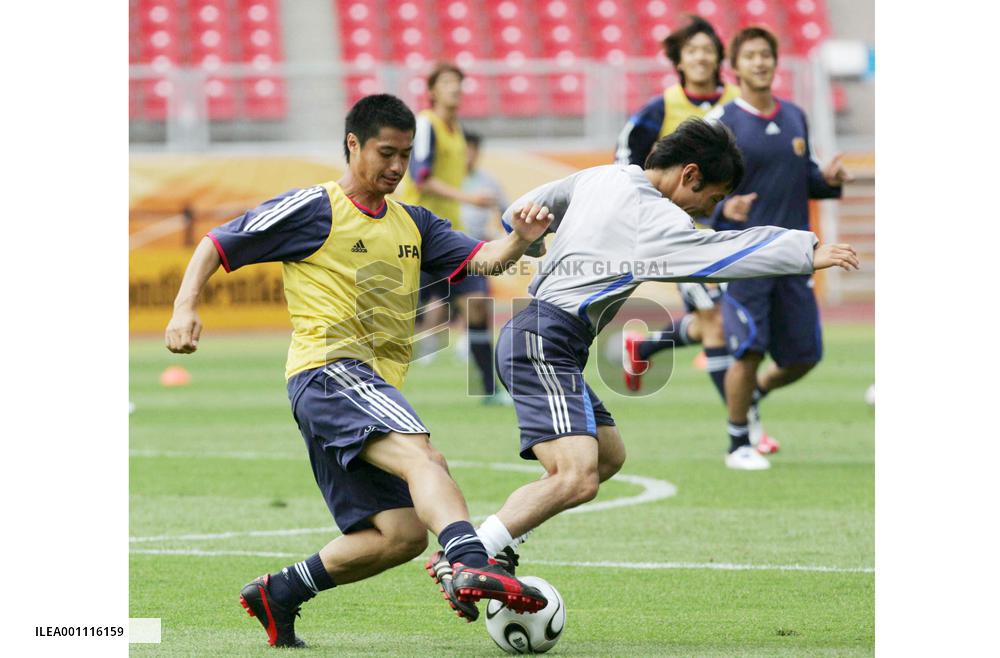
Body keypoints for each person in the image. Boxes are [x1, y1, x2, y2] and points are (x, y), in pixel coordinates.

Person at [164, 94, 553, 647]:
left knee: (399, 536)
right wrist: (184, 307)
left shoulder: (414, 222)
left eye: (405, 156)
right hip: (328, 370)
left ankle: (279, 592)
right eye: (385, 153)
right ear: (353, 145)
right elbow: (217, 243)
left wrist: (521, 237)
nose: (396, 168)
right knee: (422, 454)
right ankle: (469, 559)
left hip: (365, 388)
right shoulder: (314, 208)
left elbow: (486, 259)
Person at [425, 118, 859, 610]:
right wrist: (809, 250)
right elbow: (720, 254)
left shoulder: (601, 176)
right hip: (543, 341)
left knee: (608, 456)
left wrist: (533, 238)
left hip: (546, 338)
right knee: (576, 476)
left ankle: (496, 548)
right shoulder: (656, 218)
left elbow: (522, 210)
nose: (705, 210)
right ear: (689, 175)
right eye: (711, 198)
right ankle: (467, 555)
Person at [706, 26, 852, 469]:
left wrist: (826, 181)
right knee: (748, 349)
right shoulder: (722, 124)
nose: (760, 62)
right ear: (734, 67)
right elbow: (702, 190)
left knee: (805, 357)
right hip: (745, 257)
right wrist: (725, 208)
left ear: (775, 61)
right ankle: (738, 445)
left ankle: (754, 396)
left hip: (795, 257)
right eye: (750, 55)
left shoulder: (794, 116)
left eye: (766, 54)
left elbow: (803, 177)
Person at [615, 15, 755, 429]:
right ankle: (745, 429)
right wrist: (651, 210)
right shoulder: (659, 108)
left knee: (729, 319)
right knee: (716, 321)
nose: (700, 57)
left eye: (708, 49)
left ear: (719, 57)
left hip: (735, 228)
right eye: (691, 50)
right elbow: (625, 160)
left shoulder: (736, 102)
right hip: (684, 233)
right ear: (678, 59)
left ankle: (645, 344)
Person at [398, 63, 497, 382]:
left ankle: (490, 388)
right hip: (417, 232)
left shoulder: (456, 131)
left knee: (477, 305)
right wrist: (470, 198)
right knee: (393, 315)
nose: (455, 87)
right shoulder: (425, 124)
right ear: (432, 91)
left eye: (458, 82)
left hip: (447, 232)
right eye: (447, 82)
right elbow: (420, 178)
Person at [457, 130, 511, 403]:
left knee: (477, 310)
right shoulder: (440, 181)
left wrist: (503, 241)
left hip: (470, 253)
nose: (468, 154)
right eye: (463, 149)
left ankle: (490, 389)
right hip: (431, 253)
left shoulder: (488, 182)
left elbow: (508, 214)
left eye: (473, 149)